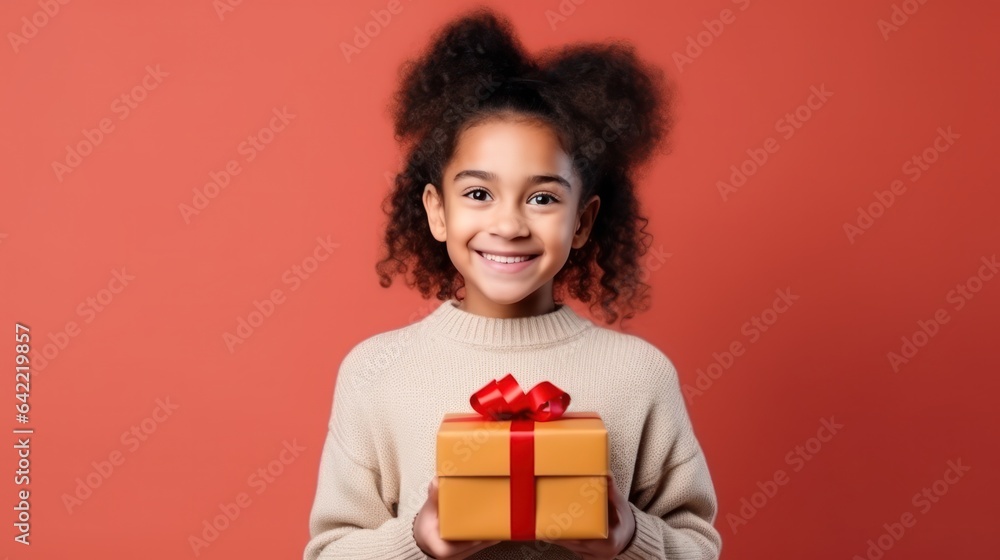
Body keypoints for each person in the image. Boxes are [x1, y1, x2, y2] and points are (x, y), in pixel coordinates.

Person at [304, 6, 721, 559]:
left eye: (543, 198)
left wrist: (630, 539)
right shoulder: (376, 372)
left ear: (583, 221)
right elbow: (328, 551)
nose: (508, 224)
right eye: (479, 194)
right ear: (437, 211)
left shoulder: (639, 374)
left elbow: (698, 545)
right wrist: (416, 541)